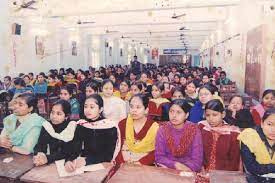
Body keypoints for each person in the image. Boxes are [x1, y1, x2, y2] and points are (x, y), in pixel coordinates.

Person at [65, 94, 119, 172]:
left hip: (102, 165)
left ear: (100, 109)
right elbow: (75, 147)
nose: (87, 110)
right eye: (85, 106)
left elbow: (108, 155)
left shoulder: (109, 126)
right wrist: (69, 160)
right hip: (84, 165)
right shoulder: (82, 124)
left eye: (92, 107)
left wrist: (87, 161)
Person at [155, 99, 203, 172]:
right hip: (167, 168)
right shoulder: (162, 129)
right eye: (171, 111)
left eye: (179, 112)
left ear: (186, 115)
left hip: (189, 170)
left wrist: (185, 169)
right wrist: (175, 165)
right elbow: (159, 157)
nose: (174, 115)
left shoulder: (194, 130)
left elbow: (197, 160)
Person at [116, 94, 159, 165]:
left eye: (138, 107)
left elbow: (157, 151)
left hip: (145, 166)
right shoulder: (123, 124)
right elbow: (117, 147)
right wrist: (122, 163)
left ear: (146, 110)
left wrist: (140, 163)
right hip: (123, 165)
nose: (134, 110)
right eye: (131, 107)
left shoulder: (154, 127)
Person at [198, 99, 240, 171]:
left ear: (223, 114)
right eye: (208, 115)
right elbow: (197, 153)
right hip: (202, 172)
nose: (211, 119)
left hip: (224, 175)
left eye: (215, 115)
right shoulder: (202, 128)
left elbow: (234, 161)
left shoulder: (233, 134)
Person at [33, 100, 75, 166]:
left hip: (66, 163)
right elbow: (40, 145)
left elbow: (68, 152)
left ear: (66, 116)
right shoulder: (47, 126)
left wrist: (47, 158)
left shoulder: (71, 127)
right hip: (48, 162)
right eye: (52, 113)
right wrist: (39, 154)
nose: (54, 116)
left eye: (59, 114)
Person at [238, 108, 275, 182]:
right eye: (269, 124)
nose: (273, 130)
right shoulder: (249, 136)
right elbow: (251, 168)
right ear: (262, 123)